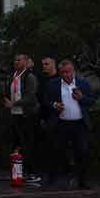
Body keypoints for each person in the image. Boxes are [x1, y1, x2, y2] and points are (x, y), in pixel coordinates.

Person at [43, 60, 97, 190]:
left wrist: (81, 98)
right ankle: (53, 180)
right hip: (61, 124)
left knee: (82, 152)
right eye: (63, 72)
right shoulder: (53, 84)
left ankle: (82, 181)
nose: (66, 75)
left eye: (69, 72)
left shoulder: (82, 84)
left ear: (73, 71)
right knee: (57, 152)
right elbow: (45, 101)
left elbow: (92, 101)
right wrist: (55, 105)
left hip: (79, 125)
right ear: (60, 73)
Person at [3, 53, 41, 184]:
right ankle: (17, 171)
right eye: (15, 60)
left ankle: (33, 172)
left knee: (28, 143)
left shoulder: (29, 77)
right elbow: (7, 91)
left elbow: (30, 96)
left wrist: (14, 103)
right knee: (15, 143)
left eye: (19, 60)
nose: (16, 62)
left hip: (27, 115)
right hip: (15, 115)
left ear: (25, 62)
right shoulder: (11, 77)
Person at [38, 57, 61, 185]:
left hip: (60, 116)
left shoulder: (59, 79)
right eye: (43, 64)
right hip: (47, 116)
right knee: (48, 146)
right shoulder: (43, 80)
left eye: (47, 64)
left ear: (54, 65)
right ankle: (50, 174)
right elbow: (42, 100)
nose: (44, 66)